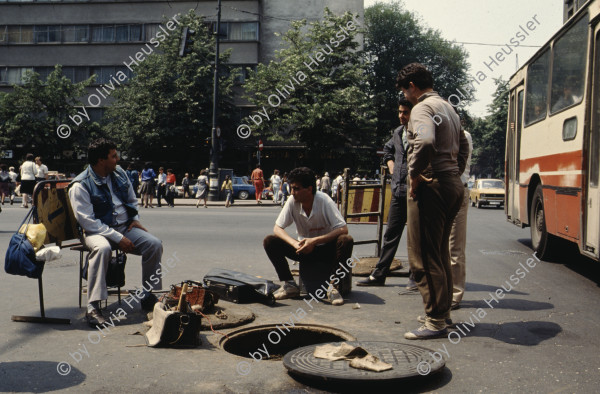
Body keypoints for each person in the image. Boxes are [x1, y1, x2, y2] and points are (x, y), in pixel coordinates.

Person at [396, 63, 469, 339]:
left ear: (412, 86)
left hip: (432, 185)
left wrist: (415, 174)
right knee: (440, 253)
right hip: (451, 183)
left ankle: (435, 320)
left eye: (405, 90)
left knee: (423, 256)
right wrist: (453, 172)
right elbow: (463, 146)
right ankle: (443, 313)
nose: (406, 97)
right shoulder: (448, 108)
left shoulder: (422, 109)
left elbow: (424, 142)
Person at [68, 138, 163, 327]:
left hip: (123, 227)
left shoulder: (118, 173)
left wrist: (134, 218)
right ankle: (93, 307)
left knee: (154, 244)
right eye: (113, 156)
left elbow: (131, 198)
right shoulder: (81, 185)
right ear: (101, 160)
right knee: (102, 249)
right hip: (94, 232)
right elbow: (88, 222)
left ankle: (148, 295)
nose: (117, 159)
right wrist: (118, 238)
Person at [263, 167, 354, 306]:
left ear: (309, 189)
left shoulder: (324, 201)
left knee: (346, 240)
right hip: (303, 250)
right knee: (270, 241)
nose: (292, 192)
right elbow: (277, 228)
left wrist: (314, 241)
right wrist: (296, 244)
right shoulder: (292, 201)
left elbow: (343, 229)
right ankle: (290, 284)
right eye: (291, 188)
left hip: (326, 249)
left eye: (296, 189)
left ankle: (332, 286)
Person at [358, 98, 416, 288]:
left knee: (416, 237)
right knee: (391, 234)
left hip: (417, 193)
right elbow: (388, 150)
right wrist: (391, 165)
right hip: (399, 191)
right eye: (400, 112)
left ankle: (416, 276)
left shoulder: (421, 132)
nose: (401, 116)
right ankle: (379, 274)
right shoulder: (398, 132)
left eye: (405, 112)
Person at [449, 130, 473, 310]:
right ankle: (442, 292)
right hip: (440, 192)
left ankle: (454, 295)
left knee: (454, 247)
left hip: (456, 189)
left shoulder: (463, 136)